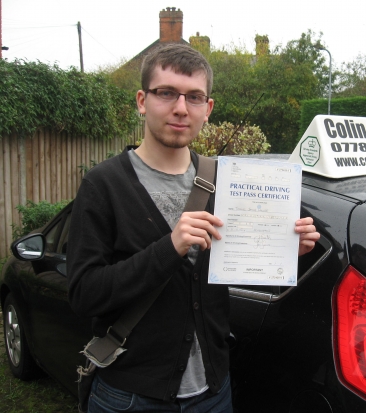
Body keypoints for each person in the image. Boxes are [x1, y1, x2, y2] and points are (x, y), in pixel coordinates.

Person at [67, 43, 320, 413]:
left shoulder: (226, 181)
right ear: (142, 100)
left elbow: (227, 273)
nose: (181, 107)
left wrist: (285, 250)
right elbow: (84, 294)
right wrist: (169, 247)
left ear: (208, 109)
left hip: (213, 393)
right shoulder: (103, 185)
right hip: (130, 397)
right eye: (165, 92)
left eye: (194, 97)